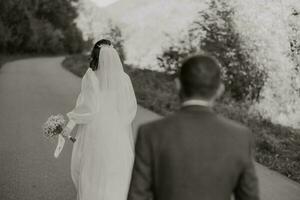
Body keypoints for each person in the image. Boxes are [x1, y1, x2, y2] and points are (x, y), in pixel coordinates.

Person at [128, 54, 260, 200]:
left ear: (177, 85)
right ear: (220, 90)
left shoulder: (150, 133)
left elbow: (137, 196)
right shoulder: (241, 137)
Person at [62, 39, 137, 200]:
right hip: (117, 129)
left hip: (95, 129)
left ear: (95, 56)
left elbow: (86, 107)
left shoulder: (91, 76)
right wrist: (119, 124)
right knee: (116, 169)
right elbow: (130, 108)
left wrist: (70, 125)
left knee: (92, 170)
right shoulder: (124, 79)